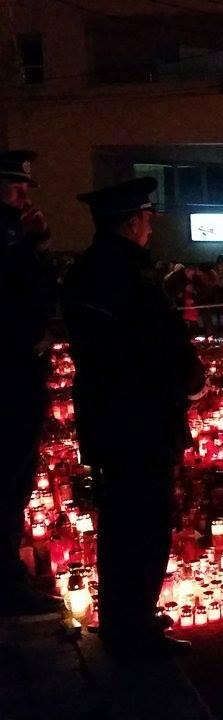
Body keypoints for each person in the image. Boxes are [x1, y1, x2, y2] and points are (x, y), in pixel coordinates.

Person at [63, 178, 207, 657]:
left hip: (109, 414)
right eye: (146, 220)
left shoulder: (87, 271)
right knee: (142, 521)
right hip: (140, 417)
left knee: (123, 518)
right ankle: (133, 628)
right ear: (130, 222)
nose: (150, 229)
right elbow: (161, 343)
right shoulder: (129, 275)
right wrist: (192, 382)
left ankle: (127, 614)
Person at [0, 150, 61, 615]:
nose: (23, 198)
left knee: (17, 478)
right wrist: (28, 243)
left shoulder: (15, 236)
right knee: (7, 477)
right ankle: (6, 582)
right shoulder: (8, 238)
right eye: (16, 189)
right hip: (7, 372)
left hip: (22, 368)